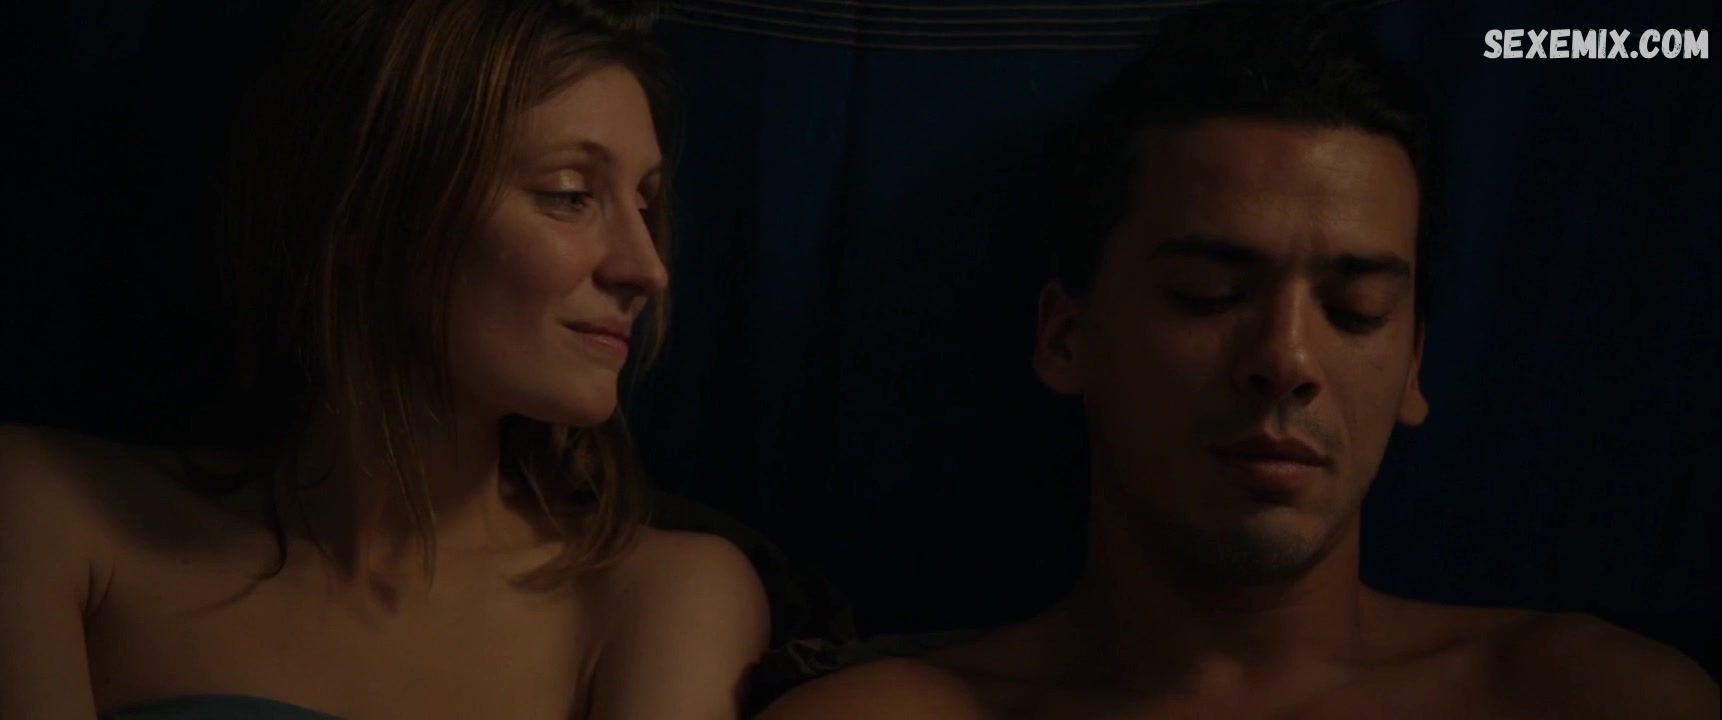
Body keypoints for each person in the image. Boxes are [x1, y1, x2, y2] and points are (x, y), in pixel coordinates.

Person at [759, 3, 1719, 718]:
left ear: (1413, 365)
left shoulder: (1592, 698)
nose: (1286, 359)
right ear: (1066, 337)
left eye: (1355, 311)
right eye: (1208, 294)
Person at [0, 1, 768, 718]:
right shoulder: (52, 518)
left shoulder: (656, 597)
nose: (646, 269)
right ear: (367, 212)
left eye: (645, 204)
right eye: (570, 193)